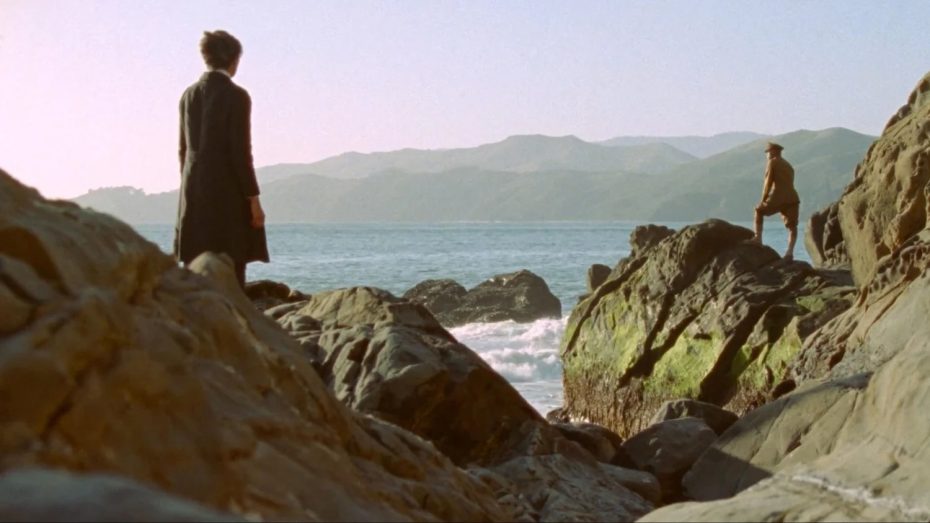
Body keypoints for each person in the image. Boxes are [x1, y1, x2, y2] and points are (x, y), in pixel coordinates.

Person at [175, 30, 268, 287]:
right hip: (227, 195)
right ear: (234, 60)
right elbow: (240, 153)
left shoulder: (187, 95)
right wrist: (254, 200)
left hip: (192, 193)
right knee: (231, 271)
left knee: (195, 273)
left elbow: (183, 151)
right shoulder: (236, 96)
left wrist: (188, 188)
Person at [751, 142, 800, 260]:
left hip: (778, 195)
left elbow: (767, 183)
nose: (766, 155)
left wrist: (763, 199)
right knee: (792, 226)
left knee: (759, 211)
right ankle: (790, 253)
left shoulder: (772, 162)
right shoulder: (788, 165)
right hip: (793, 198)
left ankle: (758, 238)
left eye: (767, 152)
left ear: (772, 152)